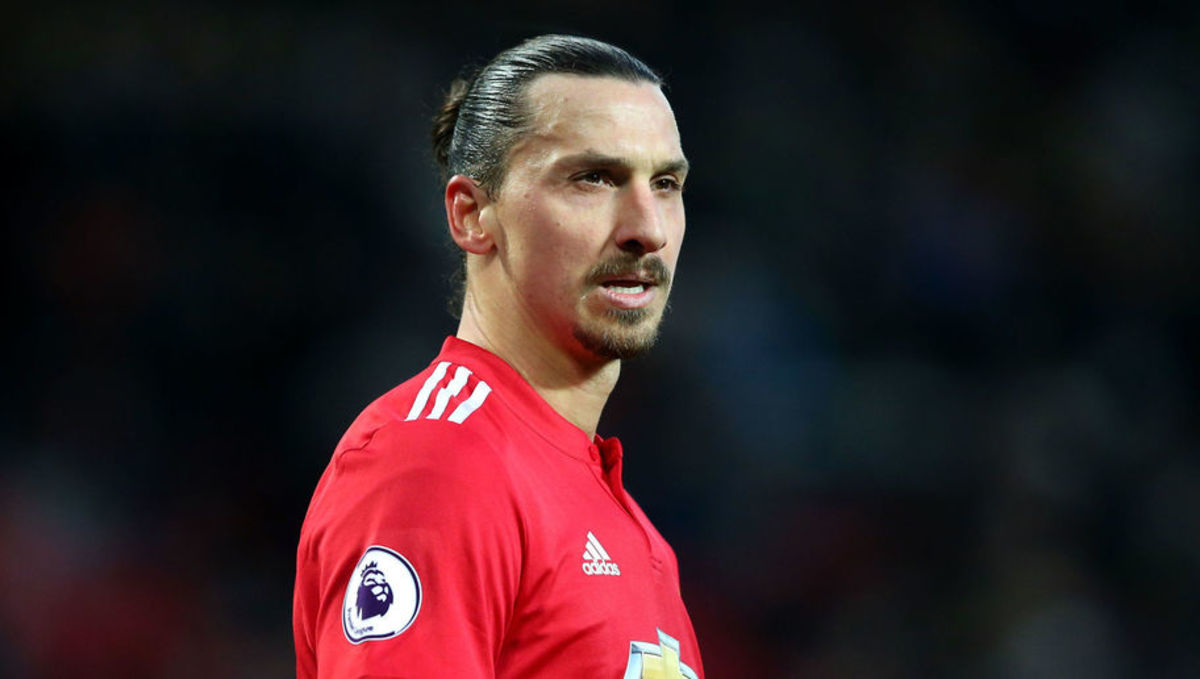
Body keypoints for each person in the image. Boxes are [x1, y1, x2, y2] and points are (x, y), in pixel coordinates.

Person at [293, 34, 702, 679]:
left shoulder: (624, 521)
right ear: (472, 214)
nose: (647, 229)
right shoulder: (436, 461)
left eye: (666, 183)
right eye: (593, 179)